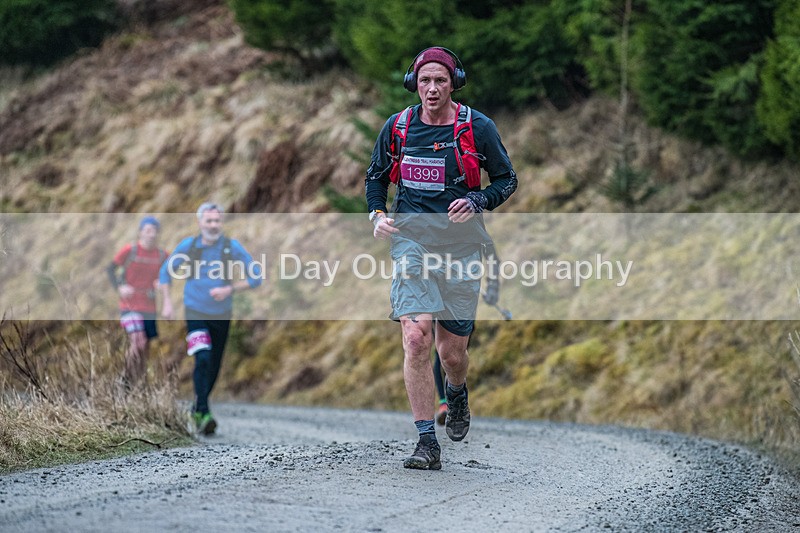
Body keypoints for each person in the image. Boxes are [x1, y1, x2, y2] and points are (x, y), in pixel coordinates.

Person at [365, 47, 517, 469]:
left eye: (441, 81)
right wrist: (377, 215)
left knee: (452, 353)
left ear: (454, 83)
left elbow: (507, 179)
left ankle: (457, 391)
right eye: (426, 80)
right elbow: (375, 178)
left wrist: (478, 199)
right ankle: (425, 441)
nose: (432, 89)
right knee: (416, 337)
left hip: (463, 248)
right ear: (414, 82)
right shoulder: (397, 127)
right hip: (410, 243)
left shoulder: (476, 127)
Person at [159, 202, 262, 435]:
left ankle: (197, 408)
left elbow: (256, 276)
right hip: (194, 311)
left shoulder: (230, 248)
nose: (213, 225)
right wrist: (166, 303)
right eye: (209, 221)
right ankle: (204, 411)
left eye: (217, 221)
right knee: (202, 358)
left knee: (214, 365)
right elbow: (165, 272)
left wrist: (230, 290)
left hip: (222, 314)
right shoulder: (190, 246)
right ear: (200, 223)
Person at [107, 216, 168, 387]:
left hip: (149, 306)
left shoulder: (162, 255)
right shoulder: (130, 250)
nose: (151, 234)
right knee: (138, 340)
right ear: (141, 232)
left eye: (155, 231)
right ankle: (124, 379)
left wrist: (162, 281)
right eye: (148, 231)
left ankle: (138, 384)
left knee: (145, 347)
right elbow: (110, 269)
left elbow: (173, 270)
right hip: (129, 305)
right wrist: (120, 287)